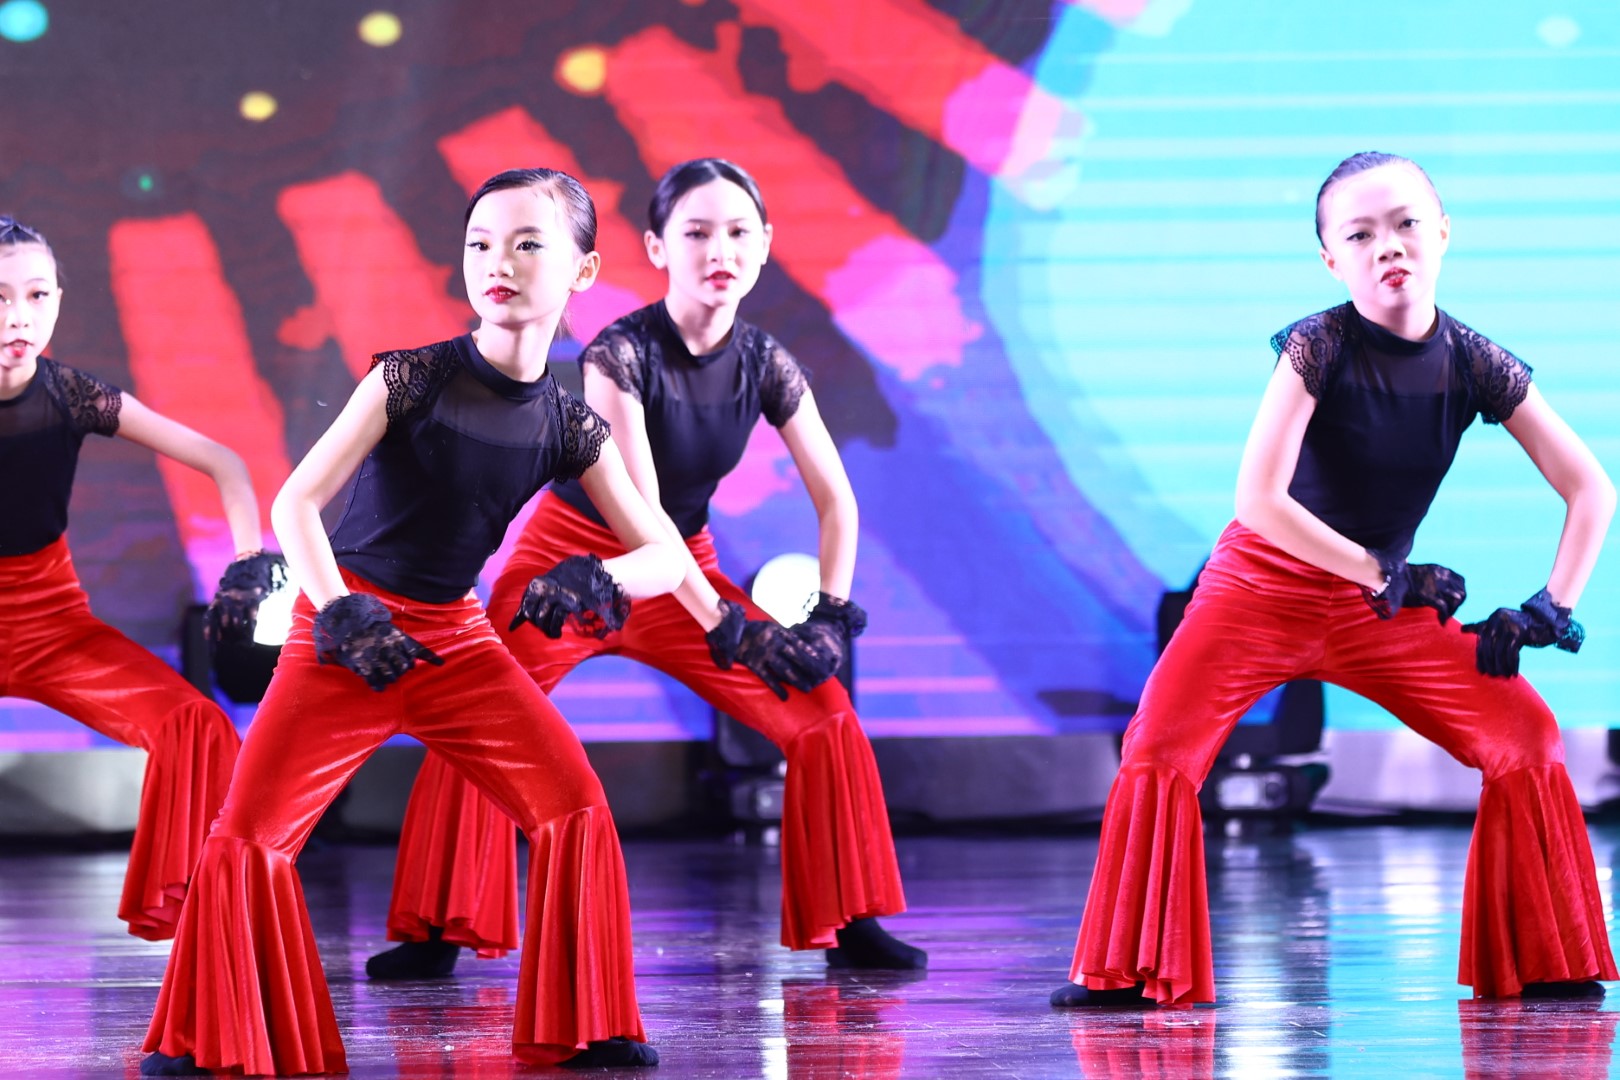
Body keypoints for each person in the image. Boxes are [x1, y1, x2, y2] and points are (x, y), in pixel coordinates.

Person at [140, 168, 684, 1075]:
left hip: (458, 644)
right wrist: (341, 611)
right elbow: (295, 504)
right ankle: (208, 1041)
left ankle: (590, 1024)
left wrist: (600, 574)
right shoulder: (410, 377)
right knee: (250, 838)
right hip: (343, 630)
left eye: (527, 244)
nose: (498, 263)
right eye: (481, 244)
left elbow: (666, 555)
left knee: (576, 808)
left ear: (584, 271)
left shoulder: (569, 424)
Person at [1052, 151, 1617, 1008]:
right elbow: (1258, 500)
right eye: (1360, 235)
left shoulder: (1475, 361)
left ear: (1443, 233)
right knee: (1158, 752)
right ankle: (1125, 971)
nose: (1388, 245)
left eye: (1407, 224)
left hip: (1375, 607)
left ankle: (1544, 959)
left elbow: (1591, 489)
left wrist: (1550, 608)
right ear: (1330, 259)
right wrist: (1383, 571)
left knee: (1525, 735)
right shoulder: (1316, 344)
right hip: (1259, 590)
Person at [367, 157, 924, 983]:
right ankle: (437, 925)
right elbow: (645, 513)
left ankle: (852, 919)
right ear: (659, 248)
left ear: (765, 246)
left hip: (679, 572)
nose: (718, 250)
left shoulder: (767, 363)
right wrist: (727, 624)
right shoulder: (618, 353)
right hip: (571, 566)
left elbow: (837, 501)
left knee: (821, 708)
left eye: (737, 232)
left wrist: (831, 617)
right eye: (696, 232)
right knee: (474, 712)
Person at [0, 215, 262, 941]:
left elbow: (225, 463)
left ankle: (201, 924)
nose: (19, 318)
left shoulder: (72, 394)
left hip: (52, 628)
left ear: (59, 299)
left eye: (37, 295)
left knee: (198, 727)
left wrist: (246, 568)